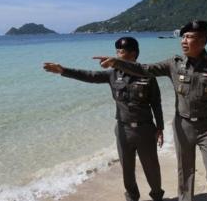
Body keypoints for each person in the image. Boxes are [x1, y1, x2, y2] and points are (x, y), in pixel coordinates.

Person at [94, 21, 207, 201]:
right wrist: (118, 62)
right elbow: (144, 69)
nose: (184, 41)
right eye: (183, 37)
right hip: (183, 125)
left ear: (203, 40)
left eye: (189, 37)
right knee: (185, 171)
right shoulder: (174, 63)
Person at [43, 37, 165, 201]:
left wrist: (160, 128)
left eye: (120, 52)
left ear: (133, 54)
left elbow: (156, 103)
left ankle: (157, 196)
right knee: (127, 170)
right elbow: (89, 75)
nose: (116, 55)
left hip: (145, 130)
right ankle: (132, 197)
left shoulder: (147, 75)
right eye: (116, 51)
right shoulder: (113, 75)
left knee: (151, 168)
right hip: (123, 129)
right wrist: (63, 70)